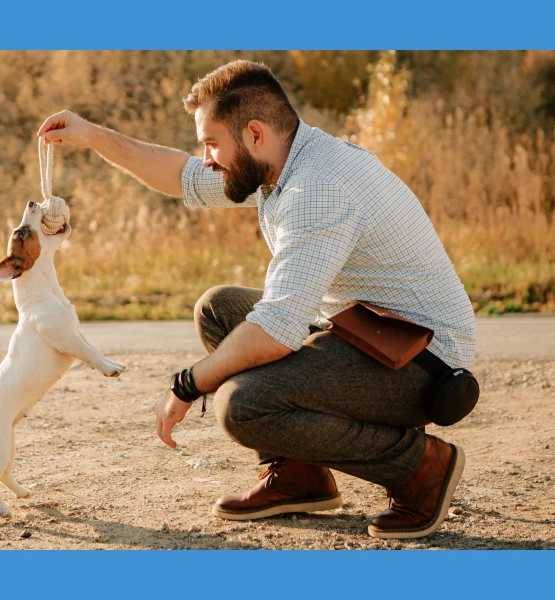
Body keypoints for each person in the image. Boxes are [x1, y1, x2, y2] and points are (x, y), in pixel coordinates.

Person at [38, 59, 476, 539]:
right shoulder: (284, 160)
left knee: (243, 406)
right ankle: (300, 475)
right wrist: (93, 135)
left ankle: (420, 469)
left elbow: (274, 330)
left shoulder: (317, 190)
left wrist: (187, 385)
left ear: (253, 134)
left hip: (424, 363)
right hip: (367, 331)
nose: (206, 157)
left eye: (211, 144)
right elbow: (180, 176)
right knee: (219, 310)